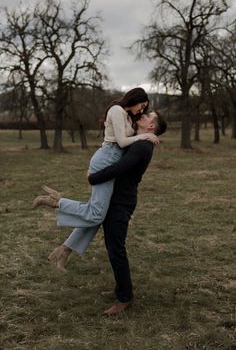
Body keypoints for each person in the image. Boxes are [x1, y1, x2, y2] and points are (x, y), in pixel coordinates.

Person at [35, 110, 167, 316]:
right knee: (97, 225)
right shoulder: (138, 140)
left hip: (121, 204)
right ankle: (67, 252)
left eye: (148, 116)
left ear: (151, 127)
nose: (143, 115)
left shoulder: (142, 147)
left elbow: (118, 168)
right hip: (115, 199)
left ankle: (125, 298)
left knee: (116, 249)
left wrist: (93, 178)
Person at [32, 88, 158, 268]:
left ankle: (64, 251)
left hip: (112, 160)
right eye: (142, 105)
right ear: (135, 99)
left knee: (98, 214)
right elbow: (122, 142)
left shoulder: (128, 116)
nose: (142, 110)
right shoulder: (117, 110)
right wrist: (146, 135)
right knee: (96, 214)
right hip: (107, 159)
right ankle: (55, 201)